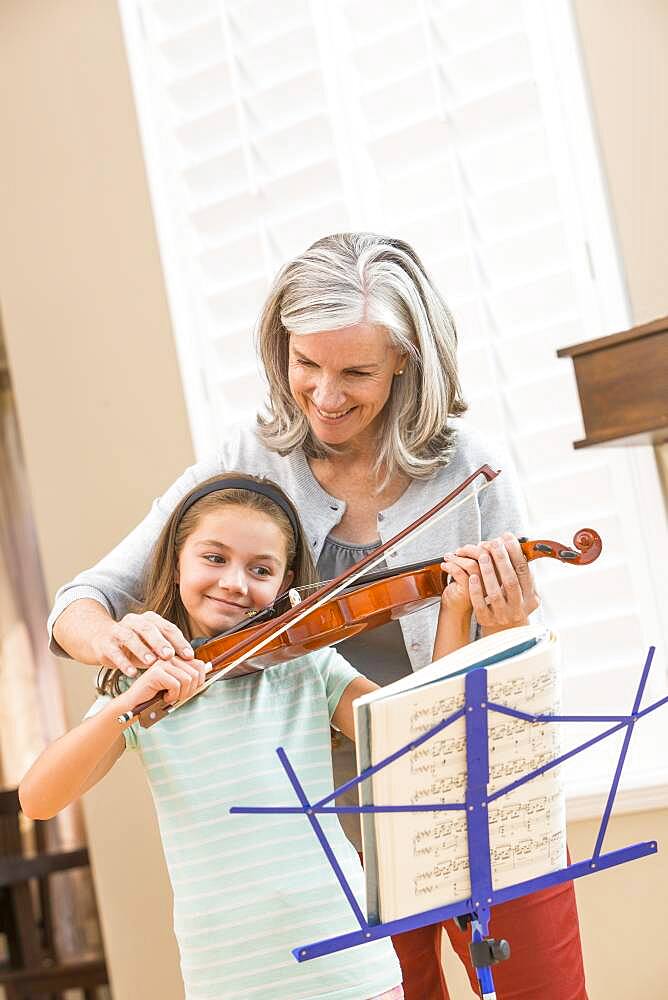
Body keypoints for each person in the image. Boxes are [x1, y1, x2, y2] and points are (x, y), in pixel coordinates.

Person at [47, 233, 587, 999]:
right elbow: (80, 603)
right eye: (307, 365)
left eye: (356, 371)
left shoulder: (473, 469)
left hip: (470, 793)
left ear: (406, 357)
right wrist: (116, 637)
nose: (326, 395)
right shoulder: (247, 457)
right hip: (334, 835)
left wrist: (502, 626)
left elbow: (509, 677)